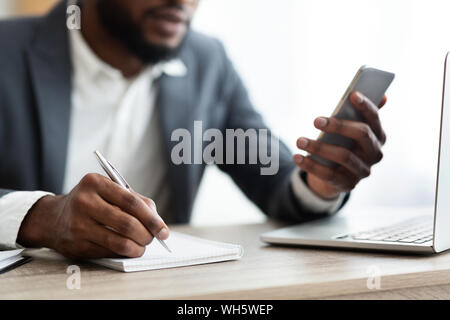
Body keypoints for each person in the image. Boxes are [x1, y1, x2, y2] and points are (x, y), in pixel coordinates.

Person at [0, 0, 387, 259]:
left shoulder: (207, 62)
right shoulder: (7, 49)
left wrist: (322, 184)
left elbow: (273, 180)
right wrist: (40, 216)